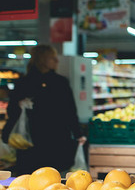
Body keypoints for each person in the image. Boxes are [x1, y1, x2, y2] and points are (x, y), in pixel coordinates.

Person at [1, 45, 86, 175]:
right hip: (53, 141)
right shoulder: (59, 82)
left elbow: (11, 112)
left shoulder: (23, 83)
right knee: (55, 178)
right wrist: (78, 133)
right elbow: (69, 111)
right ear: (42, 60)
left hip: (32, 144)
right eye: (53, 58)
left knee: (30, 179)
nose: (57, 61)